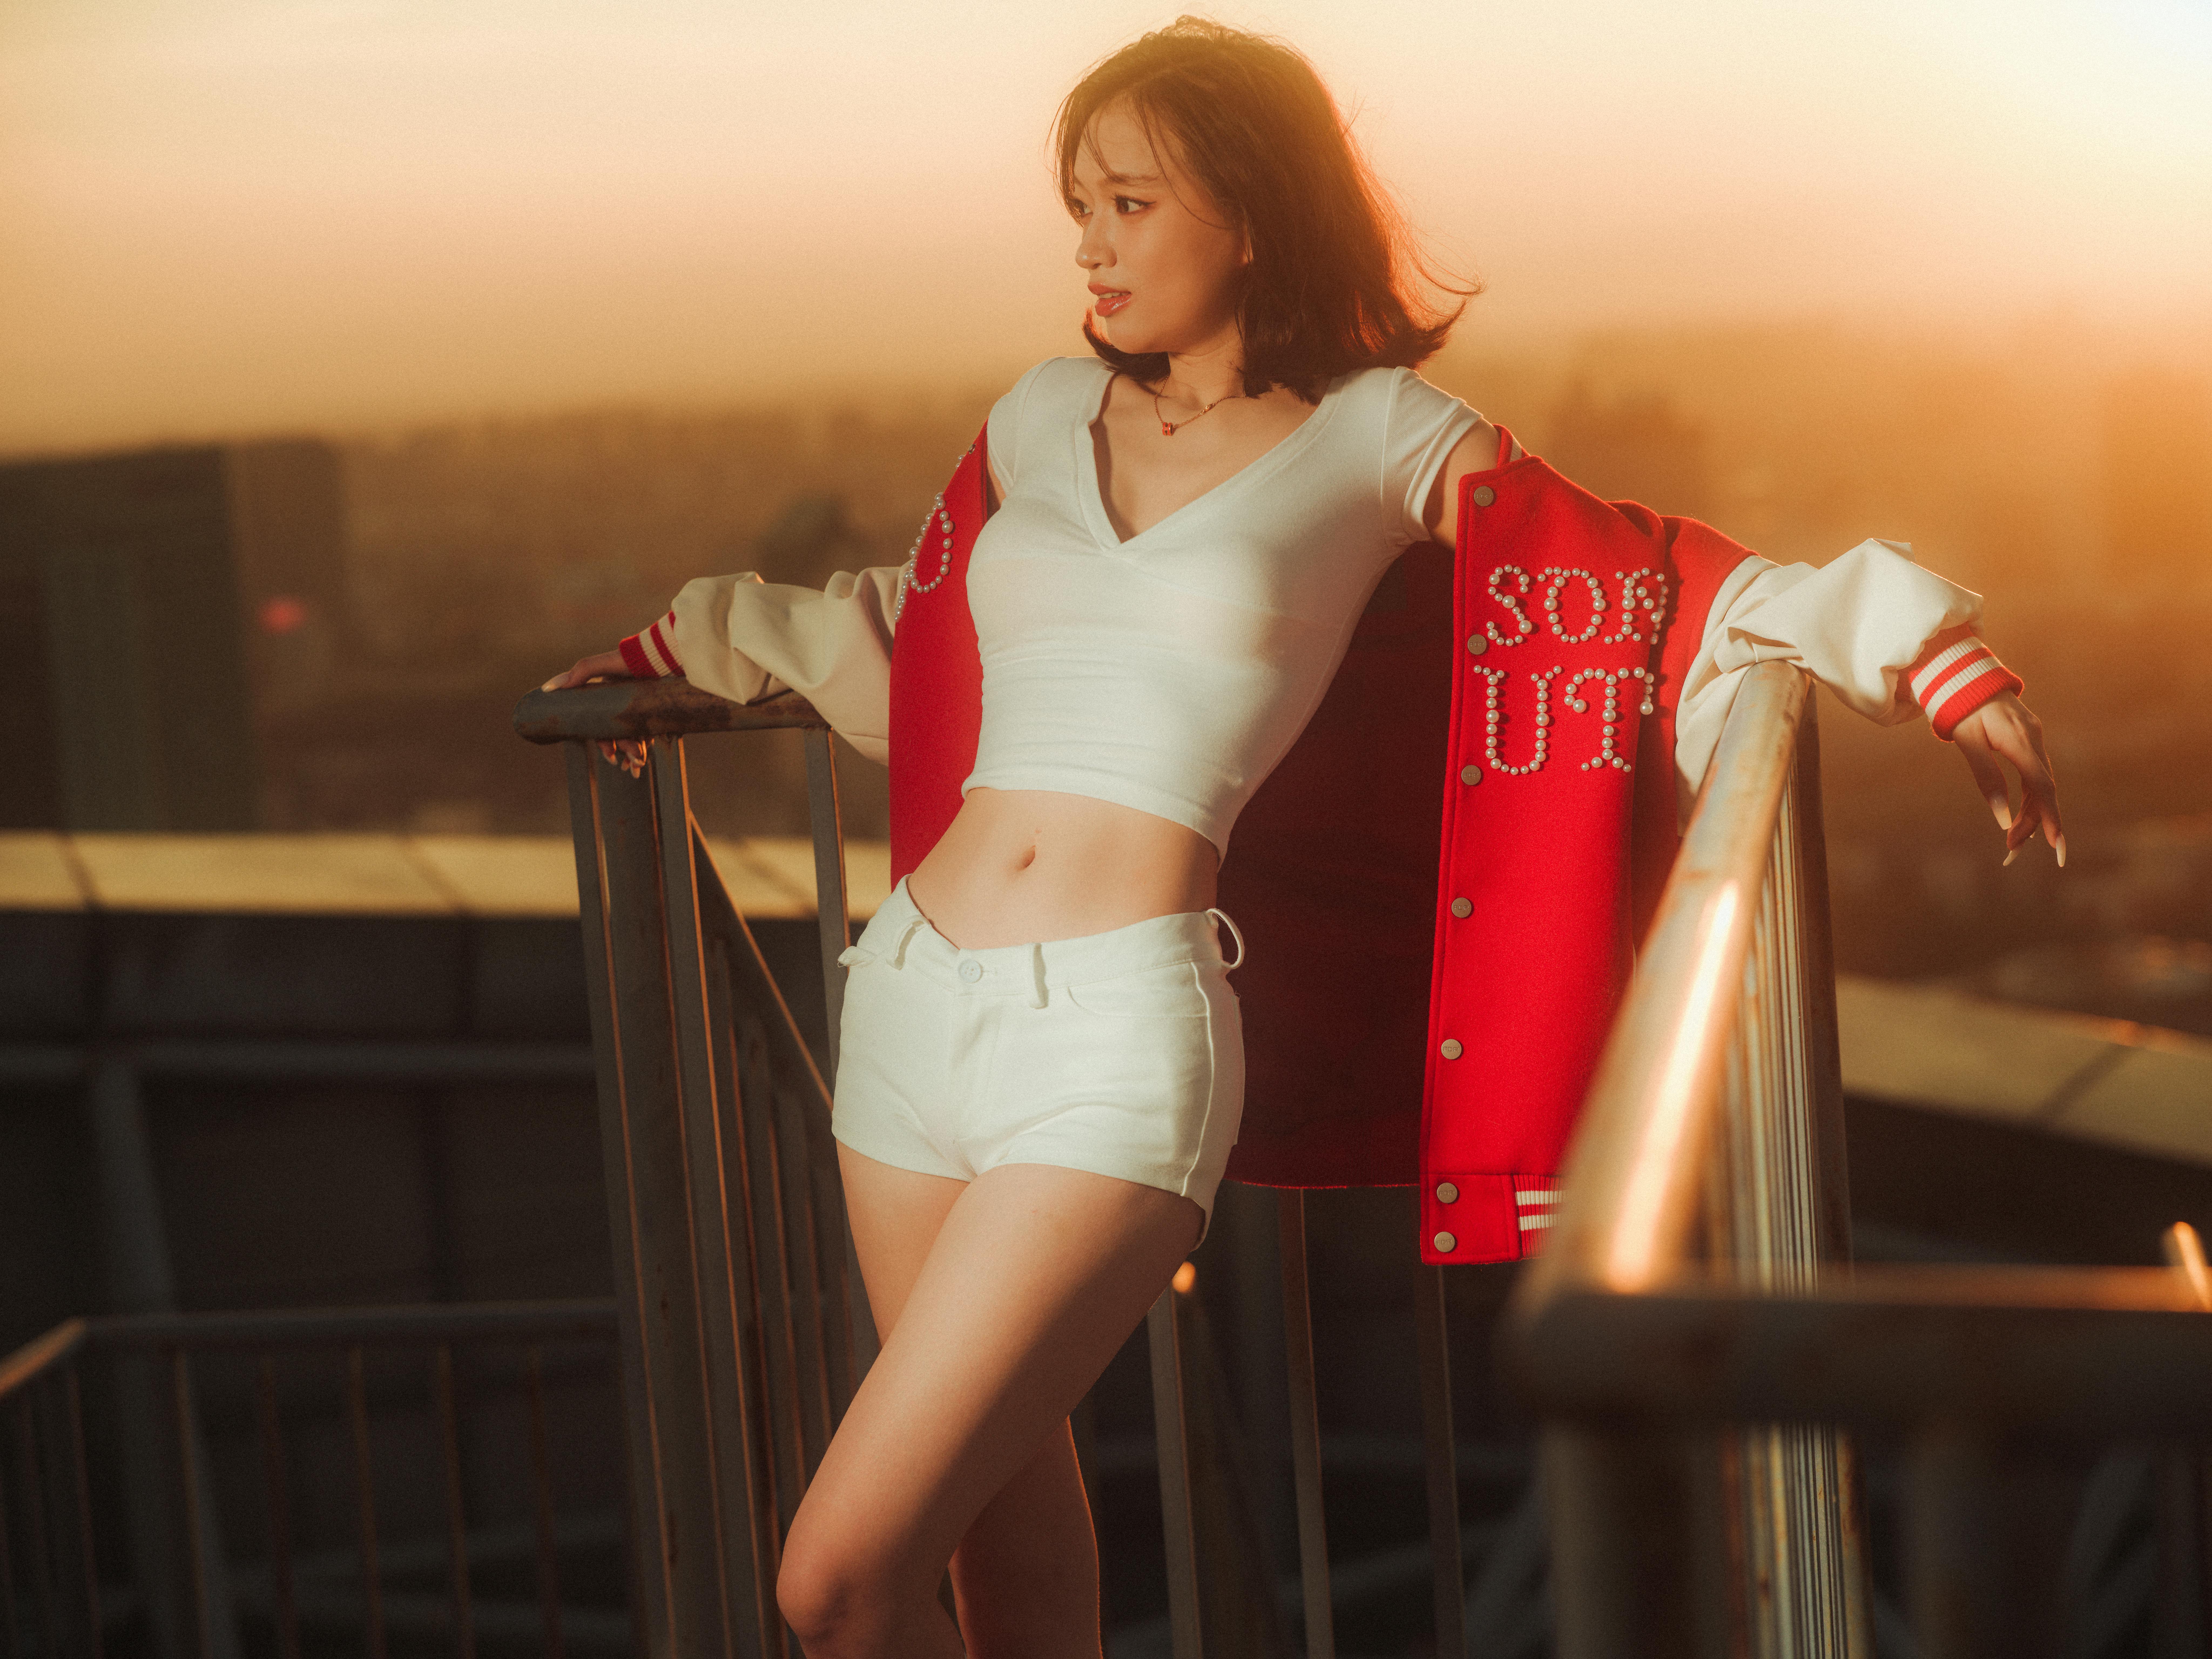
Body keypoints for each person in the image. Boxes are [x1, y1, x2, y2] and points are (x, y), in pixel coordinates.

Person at [544, 19, 2064, 1655]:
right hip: (910, 1002)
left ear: (1255, 212)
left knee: (834, 1583)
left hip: (1116, 1044)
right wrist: (695, 641)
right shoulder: (1036, 416)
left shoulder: (1382, 437)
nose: (1090, 244)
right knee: (1004, 1555)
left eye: (1131, 203)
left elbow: (1628, 580)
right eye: (1080, 205)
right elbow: (936, 642)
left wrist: (1926, 653)